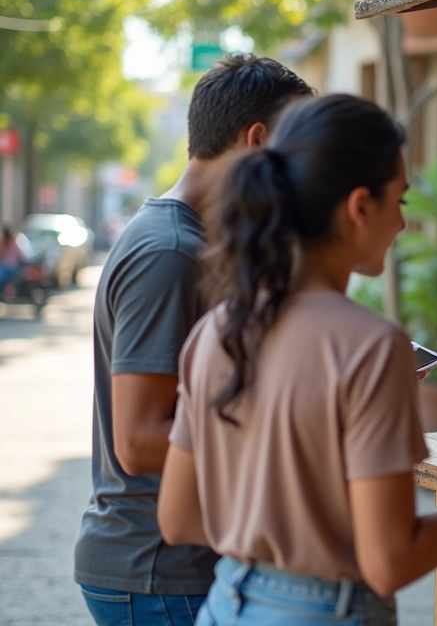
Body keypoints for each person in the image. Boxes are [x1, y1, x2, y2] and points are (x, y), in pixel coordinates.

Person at [155, 94, 437, 625]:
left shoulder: (215, 331)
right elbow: (390, 562)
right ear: (359, 207)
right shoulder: (371, 346)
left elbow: (178, 518)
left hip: (226, 602)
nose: (403, 225)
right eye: (401, 202)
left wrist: (278, 533)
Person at [74, 54, 314, 626]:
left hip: (171, 565)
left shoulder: (197, 241)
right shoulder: (170, 252)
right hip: (158, 571)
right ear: (256, 139)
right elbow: (139, 440)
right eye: (296, 149)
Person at [0, 226, 21, 294]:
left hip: (11, 268)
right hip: (4, 266)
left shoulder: (14, 245)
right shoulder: (3, 244)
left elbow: (18, 256)